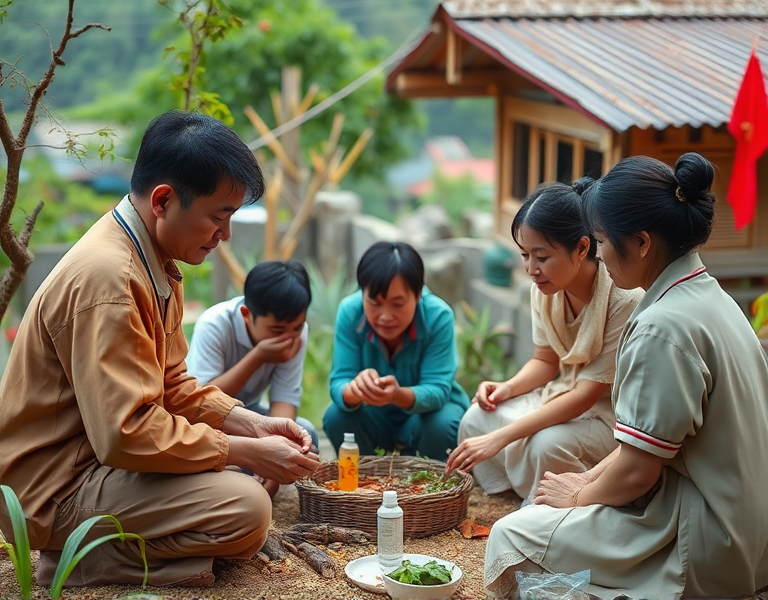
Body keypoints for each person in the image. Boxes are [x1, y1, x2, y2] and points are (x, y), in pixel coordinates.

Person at [0, 110, 319, 589]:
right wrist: (248, 452)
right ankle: (82, 557)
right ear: (164, 200)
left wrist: (252, 424)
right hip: (55, 489)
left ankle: (106, 554)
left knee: (241, 495)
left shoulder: (152, 260)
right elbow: (125, 433)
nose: (225, 235)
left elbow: (171, 384)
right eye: (219, 216)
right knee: (248, 506)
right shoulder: (109, 278)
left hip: (98, 465)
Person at [485, 153, 768, 598]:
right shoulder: (711, 297)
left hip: (708, 539)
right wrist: (584, 480)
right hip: (749, 531)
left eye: (599, 241)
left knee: (511, 535)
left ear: (640, 243)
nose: (596, 254)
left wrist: (577, 497)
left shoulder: (660, 326)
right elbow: (653, 443)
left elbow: (638, 472)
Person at [446, 181, 642, 503]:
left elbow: (584, 397)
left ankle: (548, 504)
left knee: (545, 444)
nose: (531, 269)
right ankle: (514, 498)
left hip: (608, 419)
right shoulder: (545, 290)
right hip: (561, 397)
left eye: (541, 256)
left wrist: (501, 437)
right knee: (476, 419)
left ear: (581, 248)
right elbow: (545, 361)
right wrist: (506, 388)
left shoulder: (622, 300)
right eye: (524, 255)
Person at [323, 241, 470, 458]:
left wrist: (397, 395)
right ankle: (365, 482)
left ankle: (431, 484)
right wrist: (355, 389)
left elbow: (438, 390)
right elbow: (339, 381)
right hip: (375, 417)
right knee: (336, 416)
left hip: (426, 417)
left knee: (442, 424)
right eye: (374, 302)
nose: (385, 316)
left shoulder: (438, 316)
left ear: (418, 294)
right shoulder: (350, 311)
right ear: (363, 292)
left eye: (398, 304)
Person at [187, 260, 320, 497]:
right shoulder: (214, 324)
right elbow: (202, 400)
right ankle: (238, 474)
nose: (289, 338)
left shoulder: (296, 331)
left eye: (297, 327)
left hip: (253, 416)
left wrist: (277, 456)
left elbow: (285, 397)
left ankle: (247, 473)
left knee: (307, 435)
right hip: (209, 421)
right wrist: (257, 357)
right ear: (247, 315)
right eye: (277, 331)